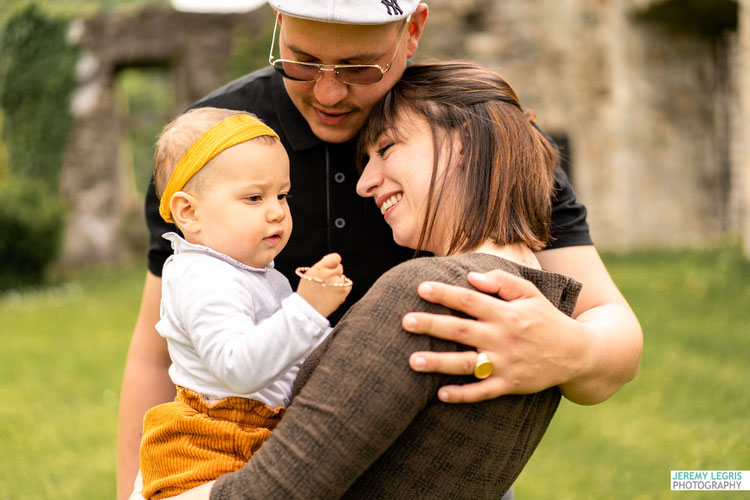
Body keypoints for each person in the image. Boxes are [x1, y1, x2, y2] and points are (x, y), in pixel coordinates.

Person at [117, 2, 643, 498]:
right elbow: (157, 349)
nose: (326, 92)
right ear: (278, 22)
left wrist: (569, 349)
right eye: (301, 62)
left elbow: (608, 325)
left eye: (359, 67)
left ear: (412, 31)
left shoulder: (476, 137)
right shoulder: (209, 146)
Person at [165, 61, 583, 500]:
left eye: (386, 149)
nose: (363, 184)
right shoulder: (540, 308)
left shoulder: (424, 295)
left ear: (463, 143)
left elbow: (273, 492)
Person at [137, 107, 352, 499]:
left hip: (254, 432)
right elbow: (237, 367)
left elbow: (292, 359)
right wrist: (306, 310)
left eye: (282, 195)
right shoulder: (203, 277)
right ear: (189, 212)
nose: (277, 211)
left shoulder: (253, 272)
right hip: (208, 447)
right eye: (254, 197)